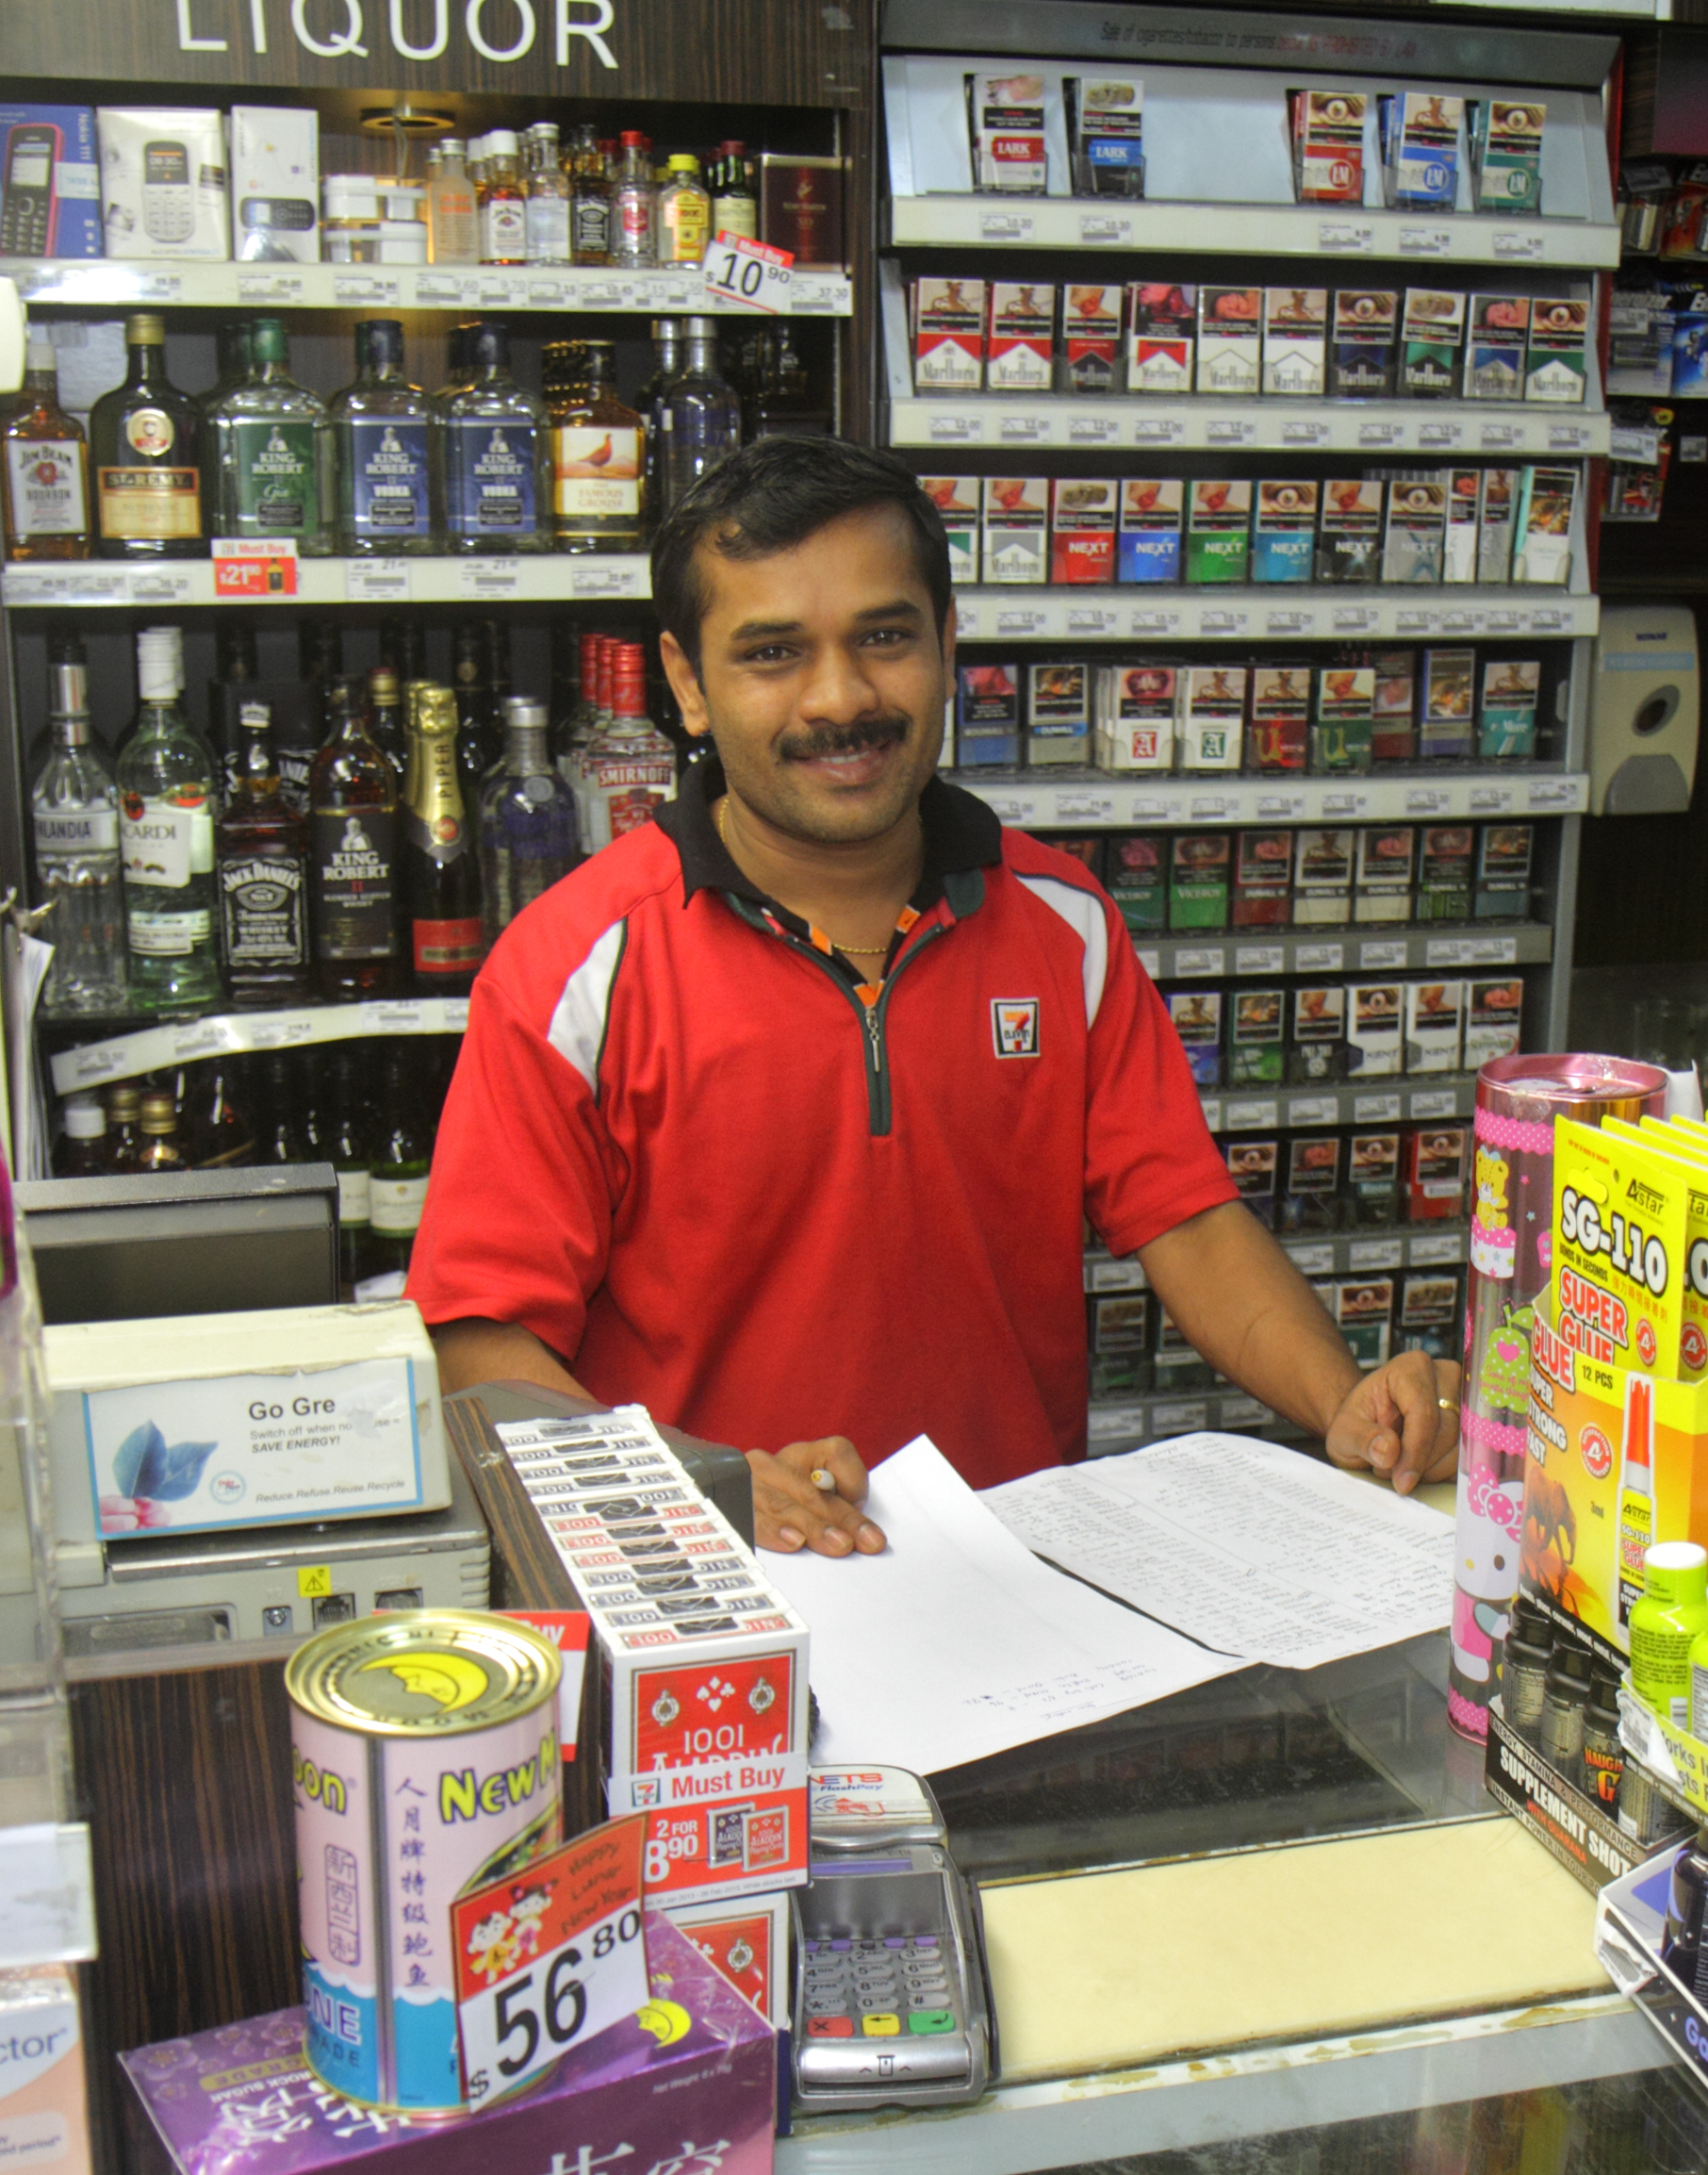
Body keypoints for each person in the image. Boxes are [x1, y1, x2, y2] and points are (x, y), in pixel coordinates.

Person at [406, 434, 1462, 1552]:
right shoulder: (574, 967)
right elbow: (477, 1340)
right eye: (772, 653)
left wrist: (1339, 1402)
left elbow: (1185, 1218)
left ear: (947, 641)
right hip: (706, 1596)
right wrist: (697, 1484)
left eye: (884, 637)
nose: (839, 697)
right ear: (685, 684)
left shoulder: (1063, 925)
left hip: (1014, 1582)